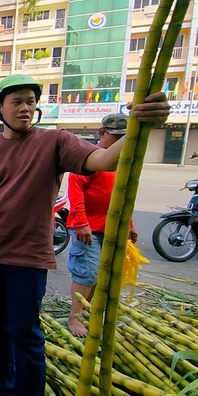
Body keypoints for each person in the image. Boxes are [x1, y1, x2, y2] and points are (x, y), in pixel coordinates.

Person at [0, 73, 169, 396]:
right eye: (17, 101)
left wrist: (142, 125)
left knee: (25, 333)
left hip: (27, 260)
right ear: (0, 108)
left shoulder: (54, 142)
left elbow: (104, 158)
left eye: (31, 101)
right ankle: (0, 386)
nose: (26, 107)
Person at [66, 114, 138, 337]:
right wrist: (81, 223)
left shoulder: (124, 163)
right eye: (114, 137)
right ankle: (74, 317)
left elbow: (125, 198)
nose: (118, 142)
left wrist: (130, 224)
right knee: (86, 273)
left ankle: (87, 310)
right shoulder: (90, 159)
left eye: (123, 138)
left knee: (101, 275)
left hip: (111, 228)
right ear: (102, 134)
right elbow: (75, 194)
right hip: (87, 228)